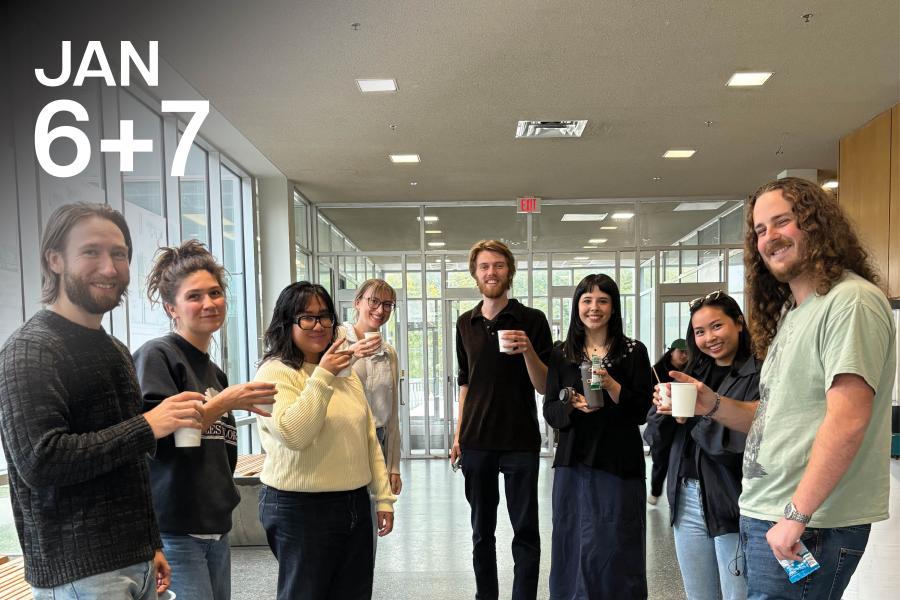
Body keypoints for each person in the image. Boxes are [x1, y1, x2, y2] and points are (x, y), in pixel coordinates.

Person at [667, 177, 896, 599]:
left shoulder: (852, 303)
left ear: (816, 224)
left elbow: (848, 420)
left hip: (811, 525)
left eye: (782, 222)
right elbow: (774, 415)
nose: (769, 237)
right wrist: (712, 404)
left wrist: (796, 515)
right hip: (767, 514)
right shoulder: (795, 313)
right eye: (759, 229)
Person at [0, 203, 205, 598]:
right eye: (91, 252)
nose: (110, 268)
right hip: (80, 573)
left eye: (119, 254)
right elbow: (40, 461)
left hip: (134, 560)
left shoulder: (113, 349)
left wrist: (150, 545)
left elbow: (125, 462)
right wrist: (148, 425)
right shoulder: (30, 349)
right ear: (55, 260)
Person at [132, 240, 276, 600]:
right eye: (194, 296)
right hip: (176, 531)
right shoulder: (158, 357)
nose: (209, 303)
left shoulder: (214, 372)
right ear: (171, 308)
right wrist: (225, 402)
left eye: (215, 293)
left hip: (214, 528)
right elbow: (152, 438)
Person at [254, 282, 395, 600]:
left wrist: (383, 497)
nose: (318, 326)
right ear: (287, 322)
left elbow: (368, 438)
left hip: (353, 503)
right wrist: (323, 376)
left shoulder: (346, 374)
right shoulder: (275, 372)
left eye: (325, 317)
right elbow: (295, 434)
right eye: (307, 317)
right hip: (300, 507)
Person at [450, 239, 552, 600]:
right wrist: (458, 434)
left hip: (520, 439)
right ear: (475, 273)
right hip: (476, 440)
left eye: (498, 265)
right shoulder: (466, 323)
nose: (491, 272)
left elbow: (543, 385)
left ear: (509, 270)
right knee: (482, 531)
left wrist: (527, 351)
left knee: (525, 529)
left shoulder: (533, 320)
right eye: (483, 267)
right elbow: (466, 383)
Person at [543, 274, 653, 599]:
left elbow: (641, 411)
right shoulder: (561, 353)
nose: (595, 308)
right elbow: (550, 411)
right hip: (573, 461)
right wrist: (572, 405)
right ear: (577, 306)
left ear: (614, 307)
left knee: (616, 543)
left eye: (603, 300)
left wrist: (611, 385)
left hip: (618, 463)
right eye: (587, 300)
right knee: (572, 542)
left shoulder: (633, 351)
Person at [647, 292, 759, 600]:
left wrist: (697, 414)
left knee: (738, 594)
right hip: (686, 498)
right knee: (699, 595)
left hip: (732, 502)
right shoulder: (692, 374)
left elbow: (738, 445)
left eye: (716, 326)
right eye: (699, 332)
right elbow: (656, 441)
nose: (709, 338)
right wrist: (662, 410)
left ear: (738, 323)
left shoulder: (758, 373)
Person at [340, 278, 402, 495]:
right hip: (344, 438)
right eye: (374, 301)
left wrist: (394, 466)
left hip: (379, 439)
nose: (380, 310)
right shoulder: (336, 340)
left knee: (376, 511)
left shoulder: (389, 352)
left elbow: (392, 413)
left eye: (387, 305)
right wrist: (353, 354)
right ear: (357, 302)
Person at [646, 338, 688, 505]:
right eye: (681, 352)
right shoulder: (655, 371)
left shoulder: (691, 372)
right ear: (672, 352)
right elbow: (647, 396)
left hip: (682, 422)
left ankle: (676, 499)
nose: (684, 356)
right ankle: (656, 490)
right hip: (661, 422)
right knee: (660, 458)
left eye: (687, 353)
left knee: (679, 459)